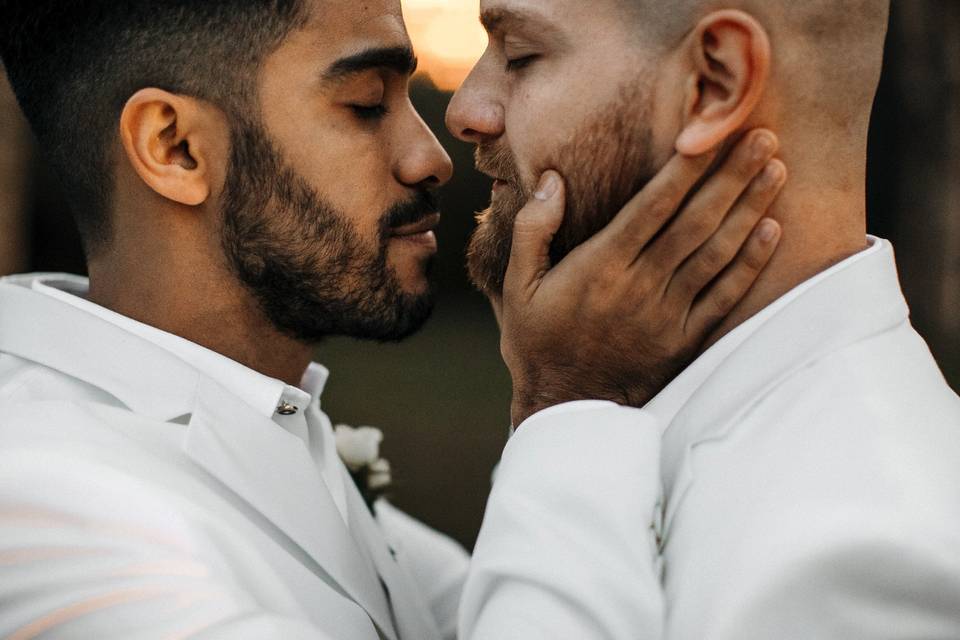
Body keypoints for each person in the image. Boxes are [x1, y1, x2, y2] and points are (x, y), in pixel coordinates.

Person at [0, 0, 783, 638]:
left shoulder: (263, 418)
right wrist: (569, 397)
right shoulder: (39, 504)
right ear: (175, 148)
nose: (432, 156)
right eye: (367, 104)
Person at [447, 0, 960, 637]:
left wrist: (557, 405)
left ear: (714, 83)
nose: (465, 111)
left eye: (520, 54)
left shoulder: (867, 550)